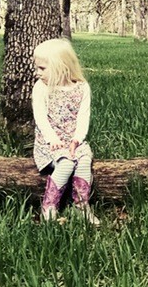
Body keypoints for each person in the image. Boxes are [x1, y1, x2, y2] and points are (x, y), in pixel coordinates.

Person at [32, 38, 100, 225]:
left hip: (73, 140)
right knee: (67, 164)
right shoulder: (42, 88)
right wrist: (53, 139)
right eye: (37, 68)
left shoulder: (81, 87)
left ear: (60, 66)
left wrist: (77, 139)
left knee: (84, 160)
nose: (37, 73)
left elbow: (82, 117)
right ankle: (49, 206)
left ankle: (81, 207)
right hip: (49, 143)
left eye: (42, 68)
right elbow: (41, 118)